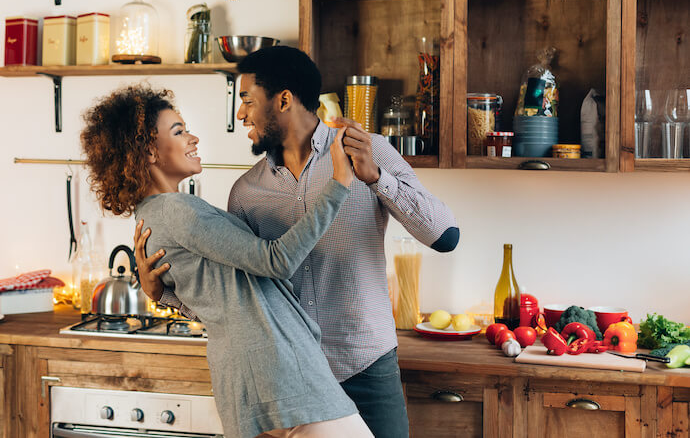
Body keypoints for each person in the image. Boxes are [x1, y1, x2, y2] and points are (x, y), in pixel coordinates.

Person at [135, 46, 460, 438]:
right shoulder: (246, 193)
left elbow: (445, 235)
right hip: (290, 383)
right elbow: (242, 306)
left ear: (284, 100)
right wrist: (163, 294)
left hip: (367, 366)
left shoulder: (368, 151)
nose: (241, 115)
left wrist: (376, 178)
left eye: (247, 101)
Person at [80, 84, 374, 438]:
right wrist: (340, 181)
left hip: (248, 384)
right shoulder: (178, 211)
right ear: (149, 152)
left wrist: (161, 295)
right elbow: (276, 260)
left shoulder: (153, 217)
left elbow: (219, 300)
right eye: (179, 131)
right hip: (283, 377)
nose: (193, 138)